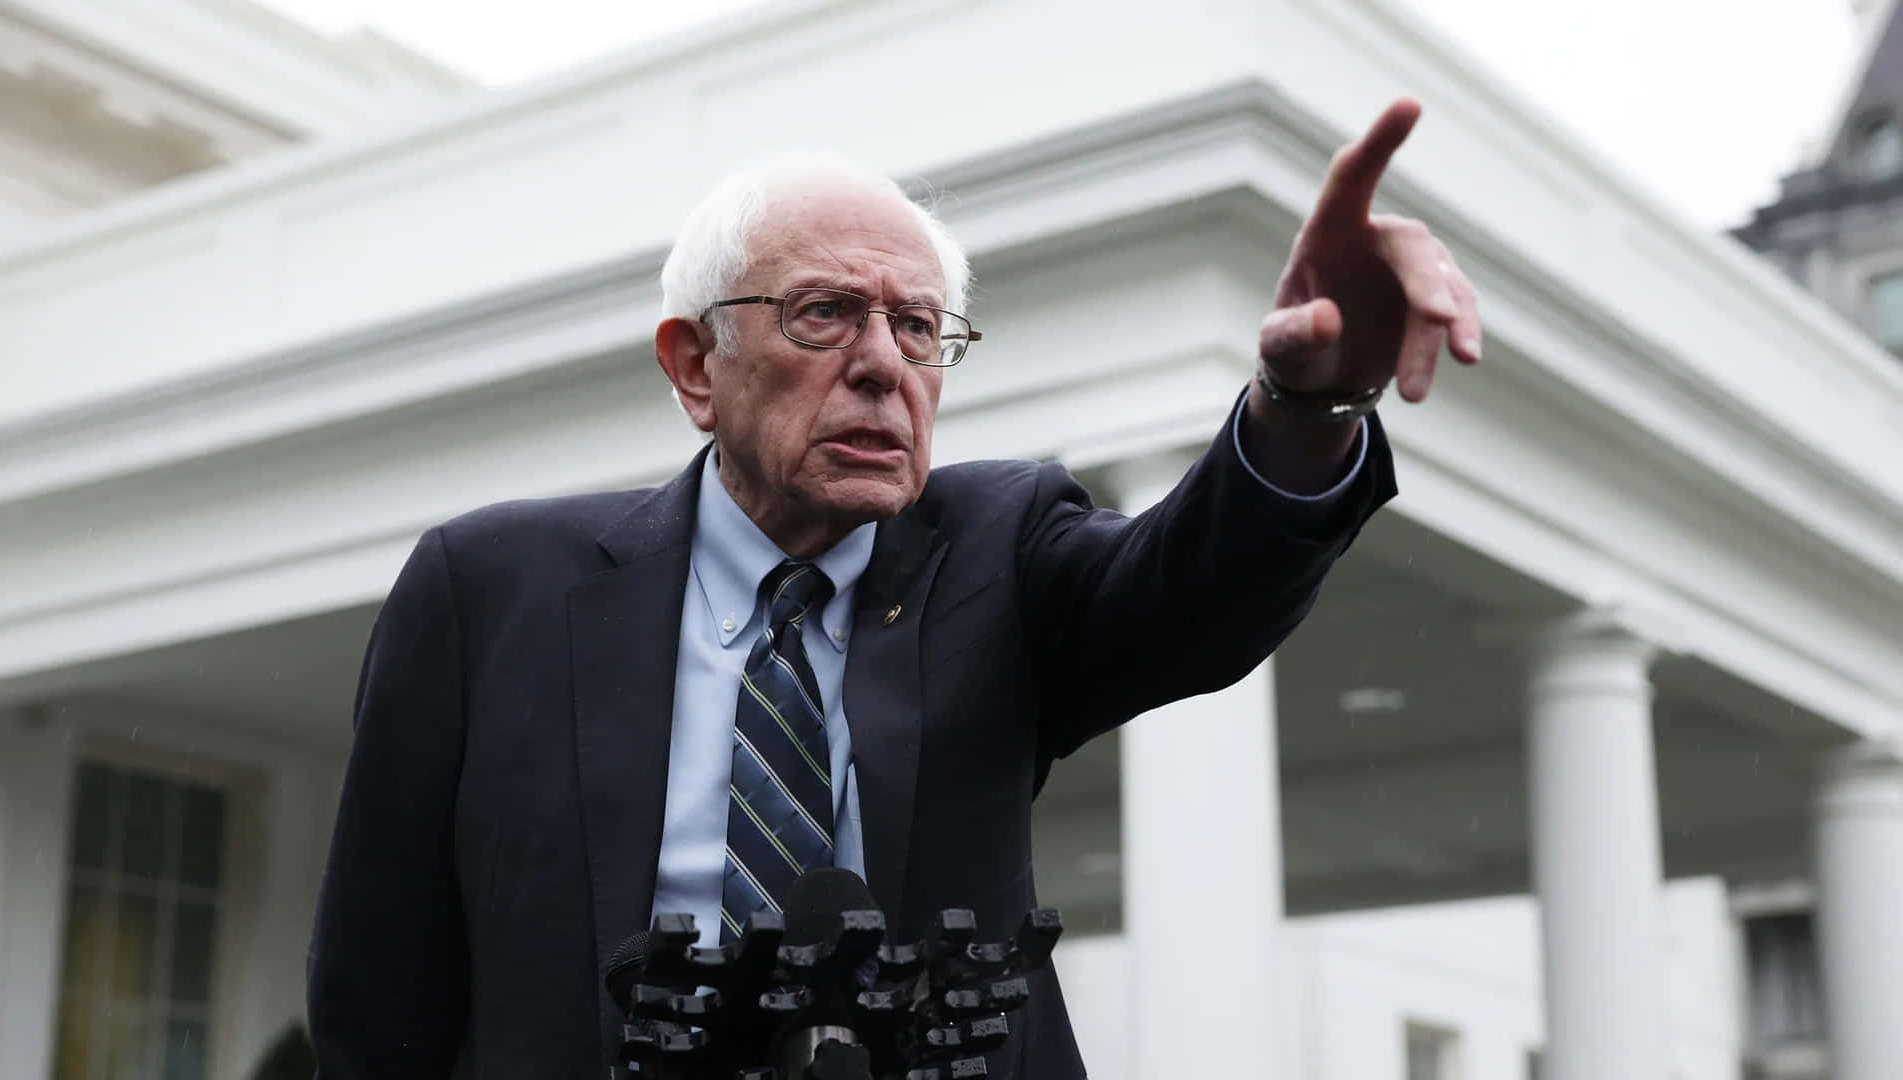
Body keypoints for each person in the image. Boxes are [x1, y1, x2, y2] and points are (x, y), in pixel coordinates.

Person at [306, 98, 1480, 1078]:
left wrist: (1306, 405)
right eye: (823, 312)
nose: (880, 362)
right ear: (693, 366)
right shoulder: (488, 590)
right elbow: (376, 999)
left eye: (918, 327)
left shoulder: (1002, 552)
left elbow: (1192, 588)